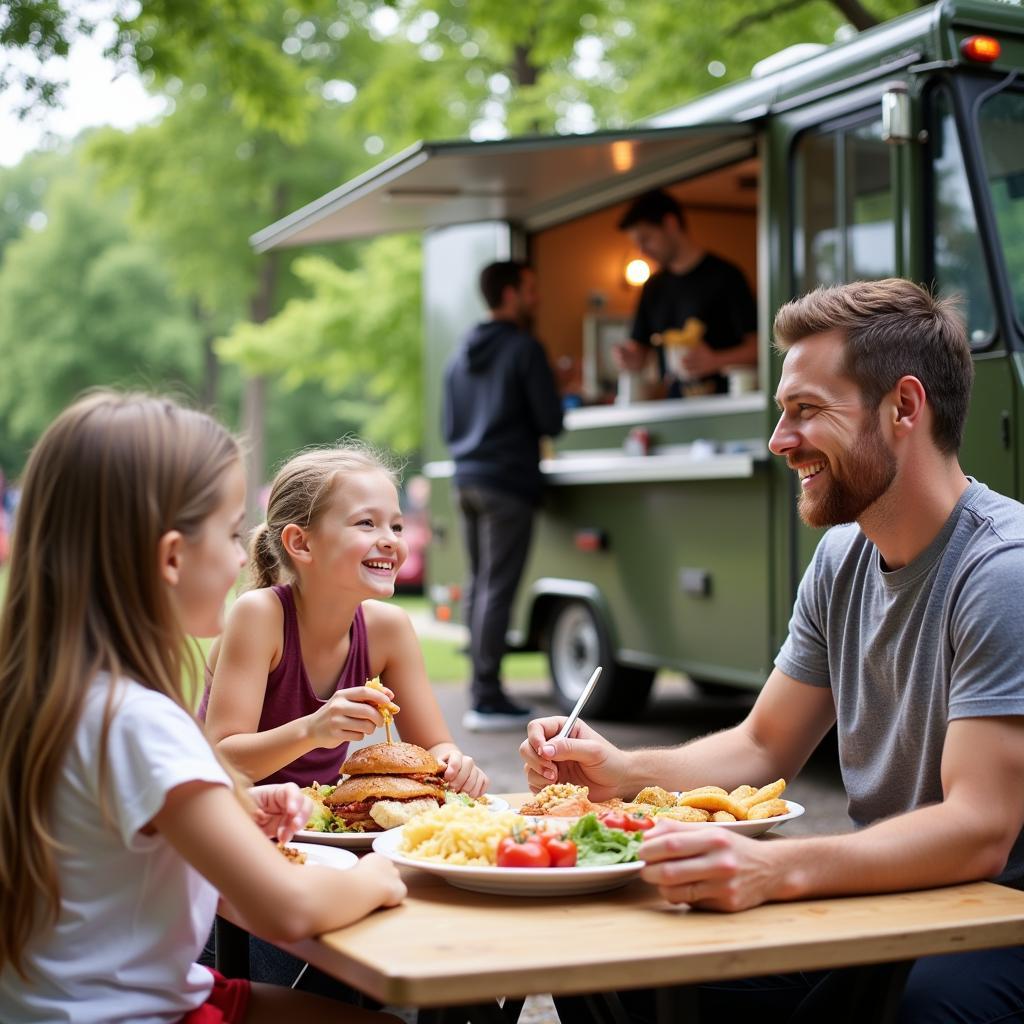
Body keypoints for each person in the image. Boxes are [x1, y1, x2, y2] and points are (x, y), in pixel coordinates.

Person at [521, 279, 1024, 1022]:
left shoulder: (1003, 571)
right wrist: (620, 773)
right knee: (612, 961)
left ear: (905, 408)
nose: (779, 441)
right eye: (781, 412)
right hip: (894, 902)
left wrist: (770, 867)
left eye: (806, 411)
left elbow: (979, 829)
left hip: (997, 917)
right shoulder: (843, 557)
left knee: (921, 1010)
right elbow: (762, 747)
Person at [0, 392, 406, 1024]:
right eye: (228, 531)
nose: (244, 555)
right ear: (170, 558)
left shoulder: (47, 693)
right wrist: (377, 877)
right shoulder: (135, 720)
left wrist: (231, 811)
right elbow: (287, 909)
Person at [442, 261, 564, 731]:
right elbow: (549, 420)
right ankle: (487, 696)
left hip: (466, 480)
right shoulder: (524, 349)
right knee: (497, 587)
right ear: (511, 294)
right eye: (531, 289)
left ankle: (481, 687)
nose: (536, 298)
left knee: (479, 585)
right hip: (507, 482)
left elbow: (448, 426)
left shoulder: (459, 355)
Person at [615, 189, 758, 398]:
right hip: (674, 406)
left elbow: (759, 349)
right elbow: (639, 353)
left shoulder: (726, 276)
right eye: (637, 244)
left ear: (670, 224)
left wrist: (715, 361)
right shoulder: (653, 287)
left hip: (724, 402)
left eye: (646, 239)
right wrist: (627, 358)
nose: (642, 251)